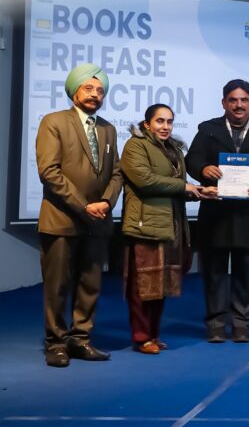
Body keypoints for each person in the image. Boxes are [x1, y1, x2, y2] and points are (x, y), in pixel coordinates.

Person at [36, 63, 123, 367]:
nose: (95, 94)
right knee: (57, 286)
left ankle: (80, 340)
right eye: (88, 88)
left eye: (100, 90)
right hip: (61, 220)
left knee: (90, 285)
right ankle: (56, 344)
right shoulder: (54, 121)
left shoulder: (108, 129)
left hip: (98, 222)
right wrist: (83, 206)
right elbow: (49, 172)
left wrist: (106, 202)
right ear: (74, 91)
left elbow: (116, 173)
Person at [185, 79, 249, 344]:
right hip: (215, 213)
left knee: (244, 273)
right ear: (224, 103)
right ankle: (216, 325)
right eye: (233, 100)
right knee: (214, 273)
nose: (239, 105)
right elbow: (192, 159)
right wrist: (203, 169)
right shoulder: (208, 129)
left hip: (247, 214)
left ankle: (241, 324)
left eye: (244, 100)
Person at [120, 104, 211, 354]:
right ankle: (141, 338)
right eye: (160, 121)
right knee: (142, 286)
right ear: (147, 124)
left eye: (169, 121)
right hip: (145, 224)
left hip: (171, 223)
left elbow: (178, 186)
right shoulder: (135, 145)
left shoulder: (173, 149)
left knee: (159, 285)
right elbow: (145, 180)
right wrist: (185, 187)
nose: (166, 126)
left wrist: (199, 191)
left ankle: (153, 334)